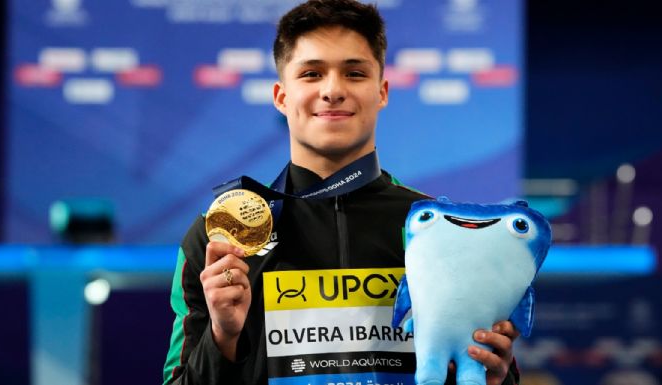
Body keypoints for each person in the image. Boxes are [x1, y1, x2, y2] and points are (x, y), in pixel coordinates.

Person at [163, 1, 521, 384]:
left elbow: (489, 369)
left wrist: (496, 378)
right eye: (312, 73)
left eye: (354, 73)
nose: (332, 90)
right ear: (282, 96)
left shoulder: (443, 232)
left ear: (381, 91)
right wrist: (223, 338)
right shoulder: (220, 238)